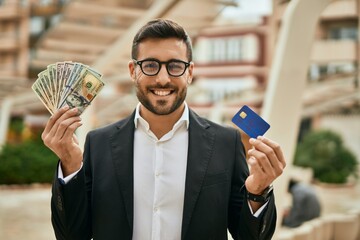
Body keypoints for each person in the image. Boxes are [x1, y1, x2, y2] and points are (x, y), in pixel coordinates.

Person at [42, 19, 286, 240]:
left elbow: (250, 237)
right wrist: (70, 165)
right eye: (150, 65)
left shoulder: (226, 142)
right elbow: (72, 236)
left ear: (189, 72)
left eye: (174, 66)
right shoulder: (99, 143)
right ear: (133, 71)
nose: (162, 79)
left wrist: (257, 192)